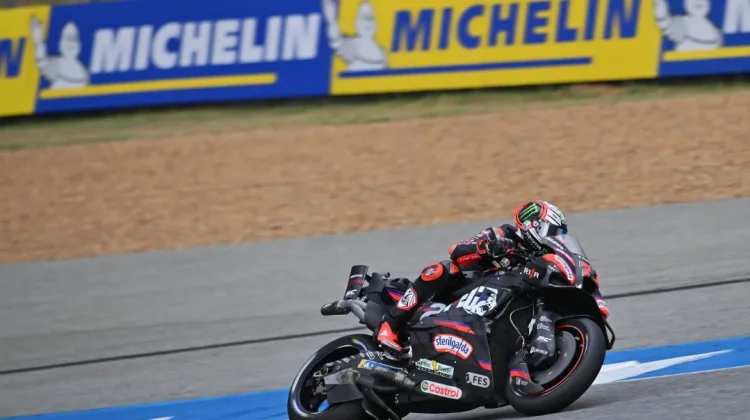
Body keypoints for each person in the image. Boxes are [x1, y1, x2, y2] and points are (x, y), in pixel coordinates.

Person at [375, 200, 610, 357]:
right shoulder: (504, 234)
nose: (555, 237)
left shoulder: (547, 258)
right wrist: (489, 247)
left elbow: (576, 271)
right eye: (552, 231)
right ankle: (390, 327)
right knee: (442, 269)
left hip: (503, 302)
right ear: (535, 225)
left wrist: (595, 301)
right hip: (466, 291)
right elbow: (457, 251)